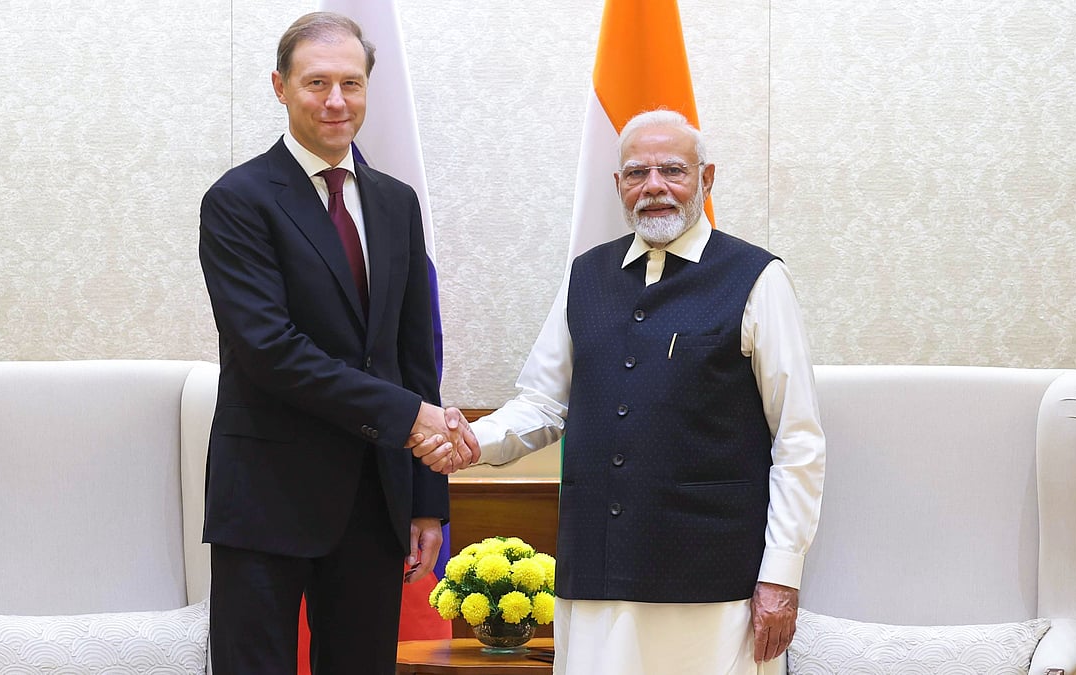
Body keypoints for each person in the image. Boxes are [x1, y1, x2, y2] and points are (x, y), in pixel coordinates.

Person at [418, 109, 825, 674]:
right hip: (596, 573)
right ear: (618, 186)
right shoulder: (585, 276)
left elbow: (798, 437)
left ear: (707, 180)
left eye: (673, 171)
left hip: (711, 578)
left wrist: (781, 574)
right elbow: (541, 402)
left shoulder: (758, 278)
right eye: (637, 173)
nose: (654, 187)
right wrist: (472, 442)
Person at [198, 12, 476, 674]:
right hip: (265, 498)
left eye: (350, 83)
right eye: (316, 82)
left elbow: (414, 354)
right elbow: (271, 351)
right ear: (280, 86)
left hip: (372, 498)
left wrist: (425, 499)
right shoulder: (238, 201)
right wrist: (409, 419)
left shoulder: (394, 203)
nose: (334, 101)